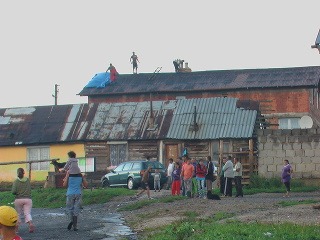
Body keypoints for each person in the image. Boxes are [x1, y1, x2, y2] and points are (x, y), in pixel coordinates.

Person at [12, 168, 35, 233]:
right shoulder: (27, 180)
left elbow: (13, 192)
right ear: (24, 172)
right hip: (28, 199)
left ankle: (16, 228)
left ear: (17, 173)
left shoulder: (16, 181)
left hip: (18, 199)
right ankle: (30, 223)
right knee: (27, 213)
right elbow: (30, 189)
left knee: (18, 214)